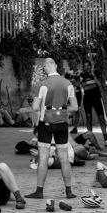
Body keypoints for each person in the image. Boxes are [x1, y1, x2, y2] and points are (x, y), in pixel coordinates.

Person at [29, 57, 78, 201]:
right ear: (55, 66)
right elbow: (75, 107)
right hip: (62, 123)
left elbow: (35, 107)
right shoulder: (68, 83)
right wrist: (61, 110)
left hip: (47, 124)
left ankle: (39, 191)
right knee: (64, 158)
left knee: (43, 158)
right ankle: (69, 191)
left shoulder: (42, 84)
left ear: (45, 68)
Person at [73, 54, 107, 146]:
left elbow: (100, 84)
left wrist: (93, 77)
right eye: (84, 66)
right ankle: (90, 139)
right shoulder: (82, 75)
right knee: (89, 119)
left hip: (97, 98)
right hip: (87, 99)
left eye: (88, 66)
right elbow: (85, 88)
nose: (86, 68)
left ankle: (106, 140)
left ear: (91, 66)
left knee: (101, 118)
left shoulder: (96, 73)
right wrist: (94, 85)